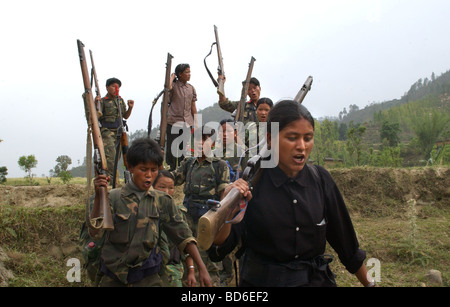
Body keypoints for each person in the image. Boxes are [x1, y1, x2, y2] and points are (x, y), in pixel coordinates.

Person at [209, 100, 374, 287]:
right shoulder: (251, 185)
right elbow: (220, 247)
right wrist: (227, 210)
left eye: (308, 138)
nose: (302, 146)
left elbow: (348, 247)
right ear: (270, 139)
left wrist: (370, 284)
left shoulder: (320, 180)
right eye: (292, 137)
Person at [90, 138, 211, 287]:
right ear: (131, 168)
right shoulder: (113, 198)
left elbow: (183, 236)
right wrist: (98, 196)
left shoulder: (163, 201)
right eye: (143, 169)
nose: (149, 175)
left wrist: (202, 268)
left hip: (147, 278)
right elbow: (95, 232)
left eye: (153, 170)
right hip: (114, 277)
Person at [171, 125, 230, 286]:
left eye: (205, 139)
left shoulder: (219, 165)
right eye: (197, 139)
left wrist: (219, 219)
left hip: (208, 216)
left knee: (208, 259)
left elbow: (224, 193)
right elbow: (173, 179)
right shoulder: (189, 163)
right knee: (187, 254)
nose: (200, 143)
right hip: (188, 214)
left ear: (212, 143)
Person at [152, 170, 197, 287]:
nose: (167, 192)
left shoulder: (178, 213)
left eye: (171, 188)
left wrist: (191, 271)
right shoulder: (144, 210)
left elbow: (186, 244)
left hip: (172, 269)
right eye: (162, 187)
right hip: (149, 269)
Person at [95, 77, 134, 182]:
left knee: (118, 157)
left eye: (117, 87)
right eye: (113, 86)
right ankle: (112, 181)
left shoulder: (120, 101)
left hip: (119, 132)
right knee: (110, 157)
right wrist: (95, 104)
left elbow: (125, 116)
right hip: (107, 131)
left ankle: (115, 180)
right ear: (107, 88)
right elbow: (96, 116)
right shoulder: (103, 101)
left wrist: (130, 108)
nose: (116, 89)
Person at [166, 64, 198, 171]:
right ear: (180, 74)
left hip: (187, 122)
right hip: (173, 121)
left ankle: (181, 170)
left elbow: (193, 106)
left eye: (189, 72)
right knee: (172, 147)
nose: (189, 74)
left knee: (183, 147)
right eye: (187, 72)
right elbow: (168, 87)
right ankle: (172, 168)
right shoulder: (174, 86)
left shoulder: (191, 88)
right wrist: (172, 77)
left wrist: (196, 122)